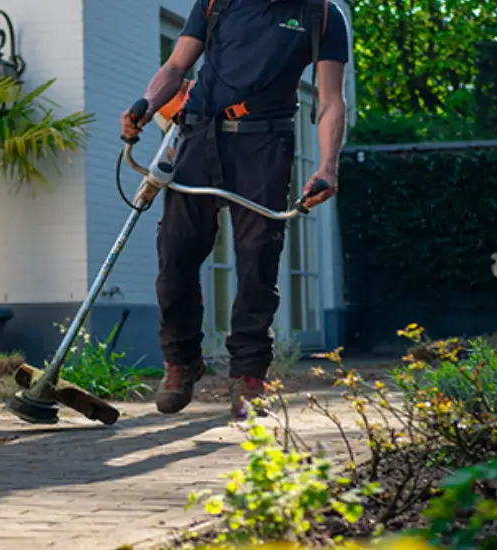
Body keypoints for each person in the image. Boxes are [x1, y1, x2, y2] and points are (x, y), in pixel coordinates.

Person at [120, 0, 351, 419]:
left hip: (265, 144)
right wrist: (147, 104)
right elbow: (175, 67)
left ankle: (248, 375)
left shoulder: (321, 14)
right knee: (175, 254)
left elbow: (331, 99)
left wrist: (327, 168)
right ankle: (182, 361)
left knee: (257, 260)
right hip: (199, 135)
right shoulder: (216, 3)